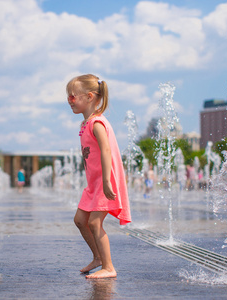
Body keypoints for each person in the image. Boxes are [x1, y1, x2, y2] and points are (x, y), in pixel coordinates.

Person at [66, 74, 131, 279]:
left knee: (94, 223)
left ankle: (109, 267)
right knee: (80, 220)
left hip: (104, 182)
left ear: (90, 96)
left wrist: (105, 181)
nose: (69, 101)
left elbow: (106, 151)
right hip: (93, 184)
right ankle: (98, 258)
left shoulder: (97, 123)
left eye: (73, 96)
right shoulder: (85, 124)